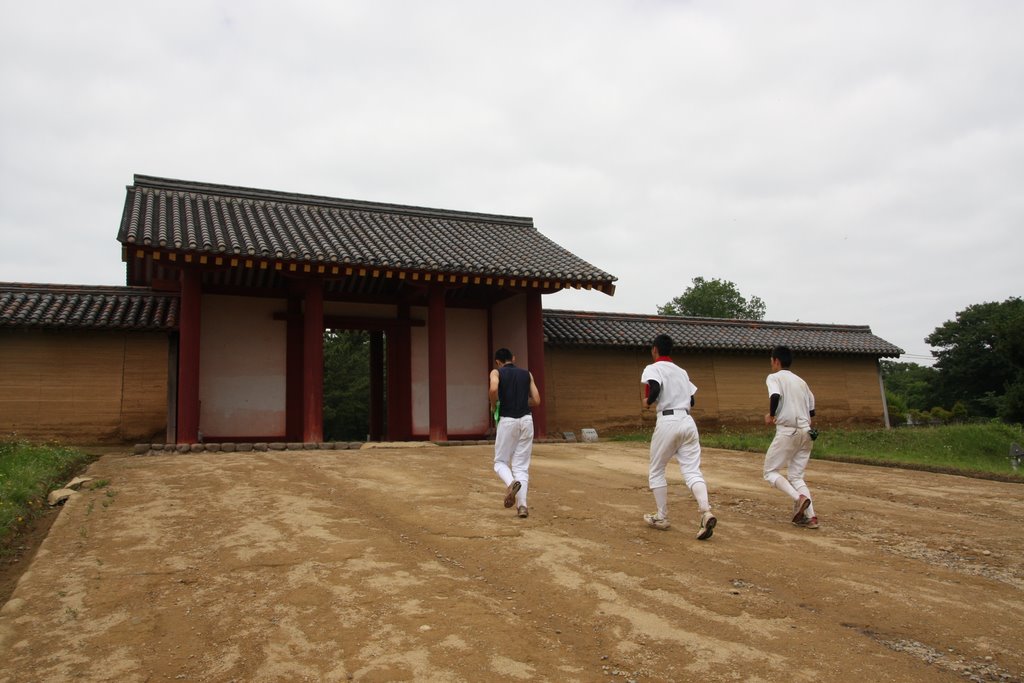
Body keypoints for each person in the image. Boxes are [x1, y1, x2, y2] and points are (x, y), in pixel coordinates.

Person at [640, 334, 716, 540]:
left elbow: (654, 387)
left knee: (656, 470)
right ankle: (705, 511)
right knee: (692, 470)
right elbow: (692, 399)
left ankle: (662, 516)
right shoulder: (682, 372)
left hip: (668, 421)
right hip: (687, 421)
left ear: (655, 349)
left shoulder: (653, 368)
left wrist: (648, 402)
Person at [763, 345, 819, 529]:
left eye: (772, 360)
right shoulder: (801, 382)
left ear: (776, 361)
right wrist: (805, 421)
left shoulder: (774, 377)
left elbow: (775, 395)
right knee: (796, 476)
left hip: (788, 430)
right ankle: (810, 517)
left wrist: (771, 415)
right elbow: (812, 407)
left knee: (770, 472)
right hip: (806, 432)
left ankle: (798, 498)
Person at [489, 348, 540, 519]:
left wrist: (493, 404)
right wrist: (521, 401)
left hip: (508, 420)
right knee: (521, 467)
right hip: (526, 420)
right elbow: (537, 400)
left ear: (498, 362)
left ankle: (511, 484)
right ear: (513, 358)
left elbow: (493, 389)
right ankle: (523, 506)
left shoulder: (496, 372)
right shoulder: (527, 374)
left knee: (500, 462)